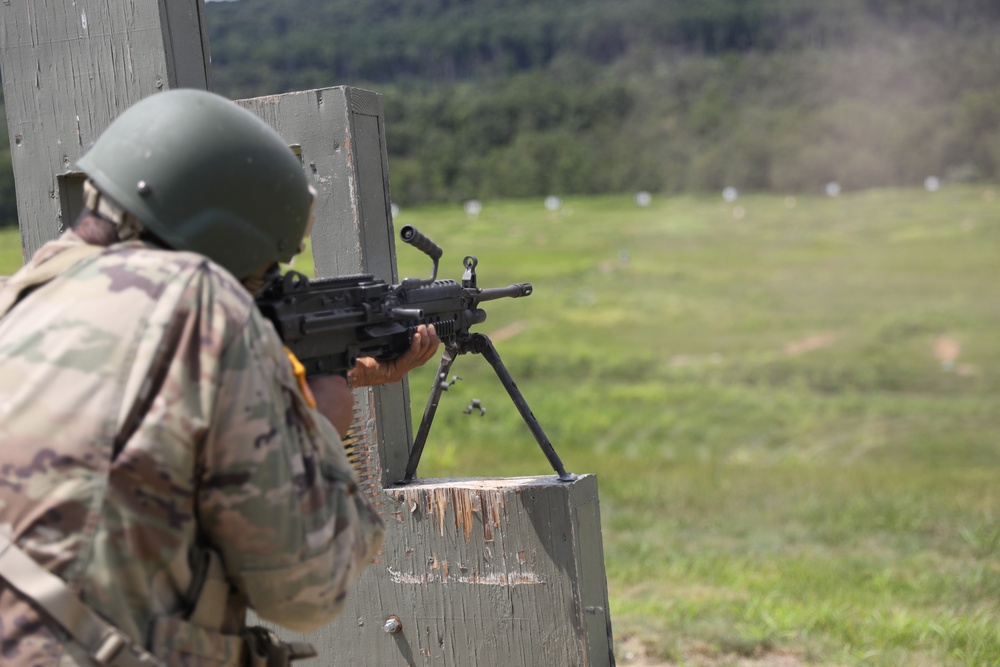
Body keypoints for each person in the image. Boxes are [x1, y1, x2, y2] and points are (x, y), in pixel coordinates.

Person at [0, 89, 439, 666]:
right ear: (223, 233)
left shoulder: (19, 303)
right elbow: (307, 591)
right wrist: (319, 426)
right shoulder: (206, 305)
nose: (260, 287)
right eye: (262, 273)